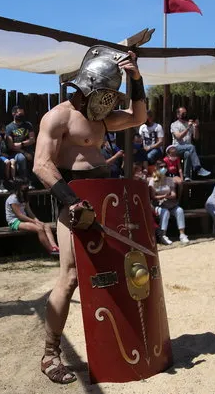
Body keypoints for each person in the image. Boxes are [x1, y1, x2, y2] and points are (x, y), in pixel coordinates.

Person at [32, 45, 147, 384]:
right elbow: (42, 164)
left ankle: (119, 345)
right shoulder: (58, 117)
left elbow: (139, 117)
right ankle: (50, 353)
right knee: (70, 276)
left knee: (117, 269)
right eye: (103, 93)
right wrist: (70, 201)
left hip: (106, 195)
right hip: (73, 197)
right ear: (86, 86)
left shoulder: (103, 118)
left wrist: (137, 78)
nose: (107, 100)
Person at [5, 177, 59, 255]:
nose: (26, 186)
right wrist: (34, 222)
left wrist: (37, 220)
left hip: (24, 220)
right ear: (18, 186)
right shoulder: (12, 199)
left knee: (46, 226)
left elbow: (30, 212)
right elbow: (19, 215)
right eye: (24, 184)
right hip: (14, 222)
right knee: (39, 229)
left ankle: (55, 247)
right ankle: (51, 250)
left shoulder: (24, 196)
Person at [149, 161, 189, 245]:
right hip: (158, 205)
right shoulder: (153, 180)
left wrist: (165, 196)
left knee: (180, 210)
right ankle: (163, 235)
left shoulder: (169, 180)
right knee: (165, 212)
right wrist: (165, 195)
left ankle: (182, 234)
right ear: (156, 168)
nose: (163, 169)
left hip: (170, 204)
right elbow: (153, 197)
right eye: (161, 167)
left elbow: (174, 194)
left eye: (165, 167)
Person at [170, 107, 211, 181]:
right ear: (178, 115)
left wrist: (195, 127)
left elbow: (196, 138)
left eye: (186, 113)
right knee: (191, 147)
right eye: (183, 113)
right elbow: (178, 137)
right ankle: (198, 168)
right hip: (176, 148)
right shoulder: (174, 124)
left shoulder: (189, 123)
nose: (185, 115)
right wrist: (188, 128)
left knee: (188, 153)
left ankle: (186, 176)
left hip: (187, 148)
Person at [6, 106, 36, 183]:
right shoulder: (9, 127)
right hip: (16, 152)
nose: (22, 115)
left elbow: (32, 140)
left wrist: (21, 144)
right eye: (20, 113)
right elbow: (11, 146)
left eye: (23, 113)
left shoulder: (28, 125)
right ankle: (24, 181)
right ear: (14, 113)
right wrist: (23, 152)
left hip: (28, 151)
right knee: (21, 158)